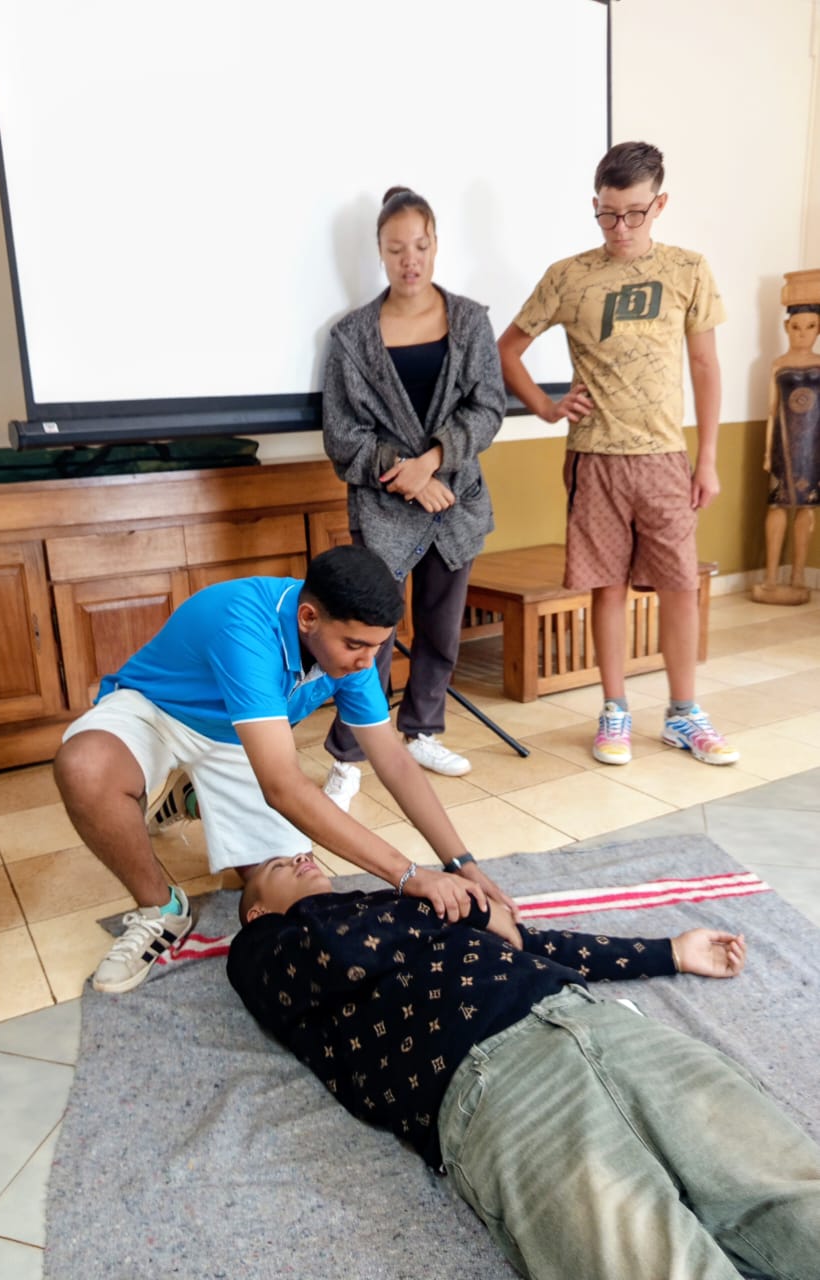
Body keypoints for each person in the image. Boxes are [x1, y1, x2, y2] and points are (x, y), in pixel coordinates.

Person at [228, 852, 820, 1280]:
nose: (303, 856)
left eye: (304, 850)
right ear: (257, 912)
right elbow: (346, 956)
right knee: (649, 1261)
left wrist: (670, 952)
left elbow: (531, 943)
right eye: (281, 866)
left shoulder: (402, 904)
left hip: (601, 1023)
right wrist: (469, 913)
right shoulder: (263, 950)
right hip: (492, 1087)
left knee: (786, 1189)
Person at [53, 545, 514, 995]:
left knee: (287, 897)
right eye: (355, 645)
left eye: (376, 647)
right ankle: (161, 908)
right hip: (160, 712)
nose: (365, 662)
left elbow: (392, 759)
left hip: (242, 739)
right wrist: (408, 874)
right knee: (85, 768)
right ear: (308, 618)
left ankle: (195, 797)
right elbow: (282, 786)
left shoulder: (352, 648)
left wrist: (461, 863)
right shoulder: (244, 624)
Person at [498, 141, 739, 768]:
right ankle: (614, 711)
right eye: (607, 214)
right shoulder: (568, 275)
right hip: (595, 459)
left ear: (659, 204)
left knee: (679, 585)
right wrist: (549, 408)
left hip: (664, 457)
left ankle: (684, 714)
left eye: (634, 213)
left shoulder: (688, 269)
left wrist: (706, 457)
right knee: (605, 587)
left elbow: (707, 366)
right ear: (596, 207)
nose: (620, 228)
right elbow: (507, 350)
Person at [320, 186, 506, 810]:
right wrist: (404, 472)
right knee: (365, 637)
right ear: (379, 251)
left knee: (441, 628)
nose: (410, 260)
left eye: (420, 246)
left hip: (455, 499)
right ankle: (350, 756)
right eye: (396, 248)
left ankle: (422, 729)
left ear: (435, 245)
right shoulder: (351, 338)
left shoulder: (471, 322)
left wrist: (434, 463)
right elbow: (341, 432)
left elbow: (487, 407)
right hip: (383, 506)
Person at [751, 303, 820, 605]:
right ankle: (769, 577)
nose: (802, 334)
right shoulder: (778, 363)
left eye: (810, 327)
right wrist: (767, 452)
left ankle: (797, 576)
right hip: (783, 444)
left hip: (814, 447)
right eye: (796, 327)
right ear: (786, 328)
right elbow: (770, 410)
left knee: (807, 508)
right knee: (777, 505)